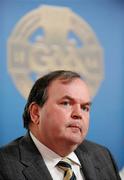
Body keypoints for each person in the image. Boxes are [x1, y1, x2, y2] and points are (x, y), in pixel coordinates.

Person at [0, 70, 121, 180]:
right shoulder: (4, 165)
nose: (78, 114)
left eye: (85, 107)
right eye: (66, 103)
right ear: (36, 113)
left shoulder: (103, 156)